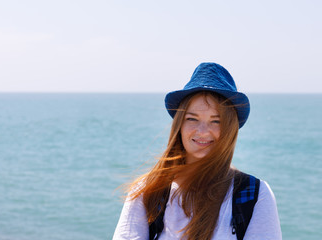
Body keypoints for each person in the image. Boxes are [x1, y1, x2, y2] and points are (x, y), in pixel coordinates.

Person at [113, 63, 282, 240]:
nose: (202, 131)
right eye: (192, 119)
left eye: (216, 121)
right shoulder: (147, 192)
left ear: (230, 129)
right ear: (179, 124)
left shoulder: (253, 194)